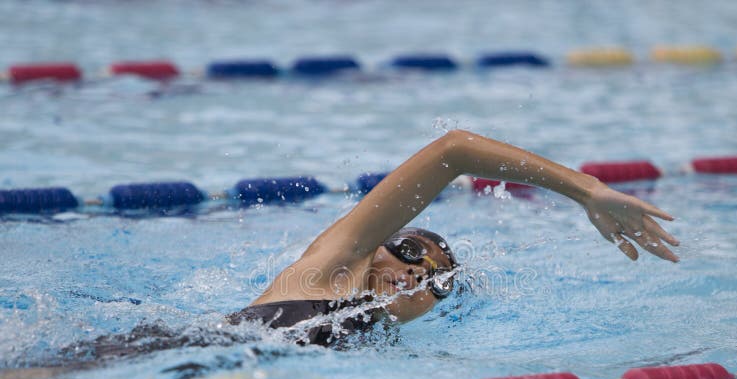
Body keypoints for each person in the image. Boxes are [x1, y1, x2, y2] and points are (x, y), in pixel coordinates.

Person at [227, 130, 679, 345]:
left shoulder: (379, 346)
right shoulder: (333, 271)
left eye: (437, 282)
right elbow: (453, 151)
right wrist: (588, 189)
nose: (415, 275)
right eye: (407, 251)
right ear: (374, 247)